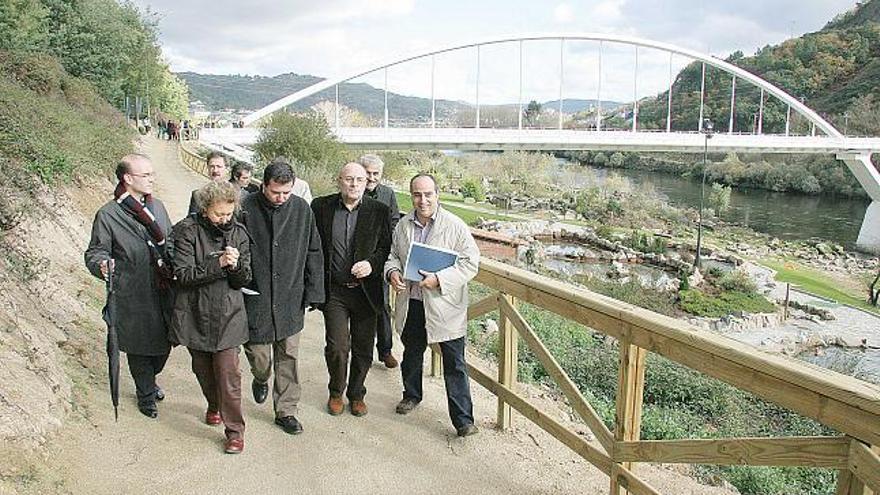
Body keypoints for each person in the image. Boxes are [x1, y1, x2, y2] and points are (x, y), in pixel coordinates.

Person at [385, 173, 481, 437]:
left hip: (444, 305)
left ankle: (463, 420)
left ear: (437, 194)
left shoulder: (455, 225)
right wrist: (392, 273)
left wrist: (439, 279)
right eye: (417, 194)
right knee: (412, 354)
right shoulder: (403, 225)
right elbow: (393, 256)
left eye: (428, 194)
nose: (423, 199)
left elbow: (470, 262)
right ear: (412, 195)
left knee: (455, 362)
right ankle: (412, 395)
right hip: (413, 300)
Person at [84, 153, 173, 419]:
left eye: (152, 174)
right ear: (128, 178)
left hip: (163, 288)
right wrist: (101, 265)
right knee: (139, 346)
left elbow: (169, 241)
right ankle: (145, 394)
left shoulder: (157, 208)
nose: (151, 179)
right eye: (146, 175)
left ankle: (150, 379)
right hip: (131, 292)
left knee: (163, 345)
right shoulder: (108, 215)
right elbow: (95, 252)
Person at [240, 158, 324, 435]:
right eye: (275, 192)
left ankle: (286, 410)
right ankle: (261, 378)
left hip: (291, 295)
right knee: (259, 355)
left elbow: (314, 250)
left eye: (286, 192)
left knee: (288, 355)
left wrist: (314, 291)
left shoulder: (301, 210)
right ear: (263, 185)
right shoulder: (245, 208)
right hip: (256, 295)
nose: (281, 198)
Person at [169, 181, 252, 454]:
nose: (225, 219)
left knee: (229, 375)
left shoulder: (239, 233)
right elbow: (183, 275)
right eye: (219, 214)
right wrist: (217, 264)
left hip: (230, 315)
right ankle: (213, 403)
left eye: (229, 214)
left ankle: (235, 432)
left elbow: (244, 279)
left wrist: (236, 266)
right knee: (203, 370)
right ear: (205, 209)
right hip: (195, 313)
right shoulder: (185, 231)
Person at [311, 162, 391, 417]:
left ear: (367, 182)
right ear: (339, 180)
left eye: (360, 179)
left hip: (365, 292)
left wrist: (371, 264)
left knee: (364, 348)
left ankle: (357, 394)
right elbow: (312, 247)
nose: (354, 184)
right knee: (336, 346)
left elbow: (386, 249)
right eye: (349, 179)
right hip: (335, 291)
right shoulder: (321, 207)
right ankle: (336, 391)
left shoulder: (380, 211)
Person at [357, 153, 401, 369]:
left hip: (379, 256)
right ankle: (355, 348)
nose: (372, 178)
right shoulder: (353, 190)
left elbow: (395, 222)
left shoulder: (388, 194)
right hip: (355, 257)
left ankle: (385, 350)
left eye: (376, 174)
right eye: (368, 173)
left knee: (382, 304)